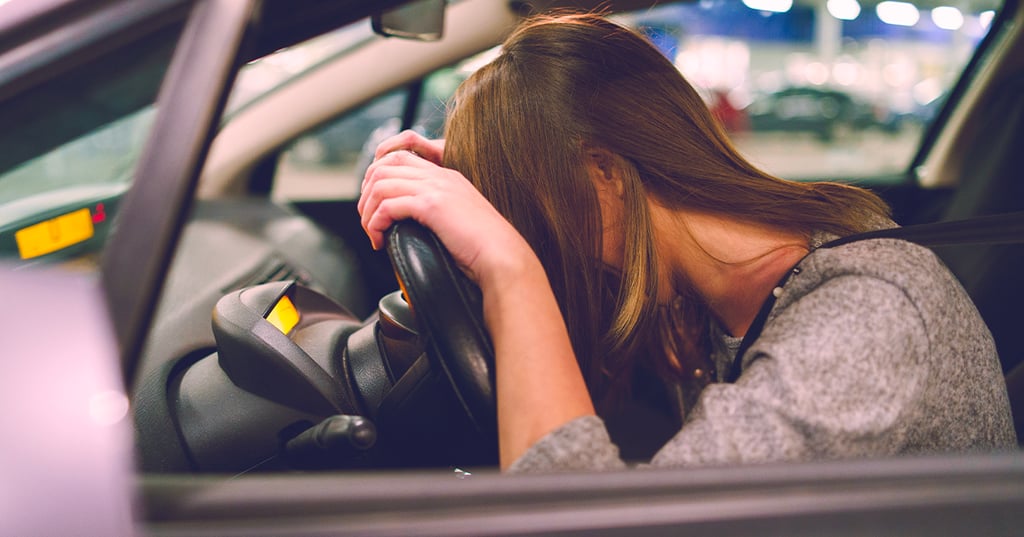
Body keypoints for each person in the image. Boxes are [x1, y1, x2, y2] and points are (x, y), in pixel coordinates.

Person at [358, 13, 1016, 472]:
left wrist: (508, 268)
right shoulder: (721, 291)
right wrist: (493, 170)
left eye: (530, 213)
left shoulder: (866, 321)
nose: (534, 240)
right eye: (516, 220)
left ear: (606, 174)